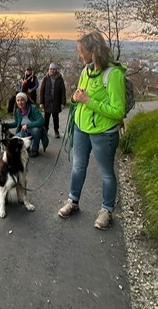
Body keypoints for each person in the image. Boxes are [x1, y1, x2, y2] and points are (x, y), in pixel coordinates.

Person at [58, 31, 126, 231]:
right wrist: (76, 98)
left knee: (106, 173)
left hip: (104, 133)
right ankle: (73, 201)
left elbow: (118, 111)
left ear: (94, 51)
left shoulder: (113, 75)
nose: (80, 55)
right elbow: (80, 95)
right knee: (78, 166)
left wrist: (88, 101)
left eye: (82, 51)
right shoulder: (86, 71)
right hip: (81, 128)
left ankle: (107, 210)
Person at [3, 92, 48, 158]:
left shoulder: (33, 108)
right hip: (23, 130)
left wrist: (28, 126)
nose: (20, 102)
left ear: (26, 100)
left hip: (34, 130)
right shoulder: (17, 111)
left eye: (22, 100)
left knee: (35, 130)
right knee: (14, 140)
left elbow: (41, 121)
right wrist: (6, 125)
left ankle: (34, 149)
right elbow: (16, 123)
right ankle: (26, 147)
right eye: (18, 100)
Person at [39, 63, 67, 138]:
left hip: (56, 102)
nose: (52, 70)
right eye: (51, 69)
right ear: (49, 69)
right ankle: (45, 130)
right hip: (47, 102)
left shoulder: (60, 79)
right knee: (46, 118)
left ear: (56, 70)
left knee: (55, 117)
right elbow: (42, 91)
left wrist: (63, 103)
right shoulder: (46, 78)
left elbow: (63, 91)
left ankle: (56, 131)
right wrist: (41, 102)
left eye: (54, 69)